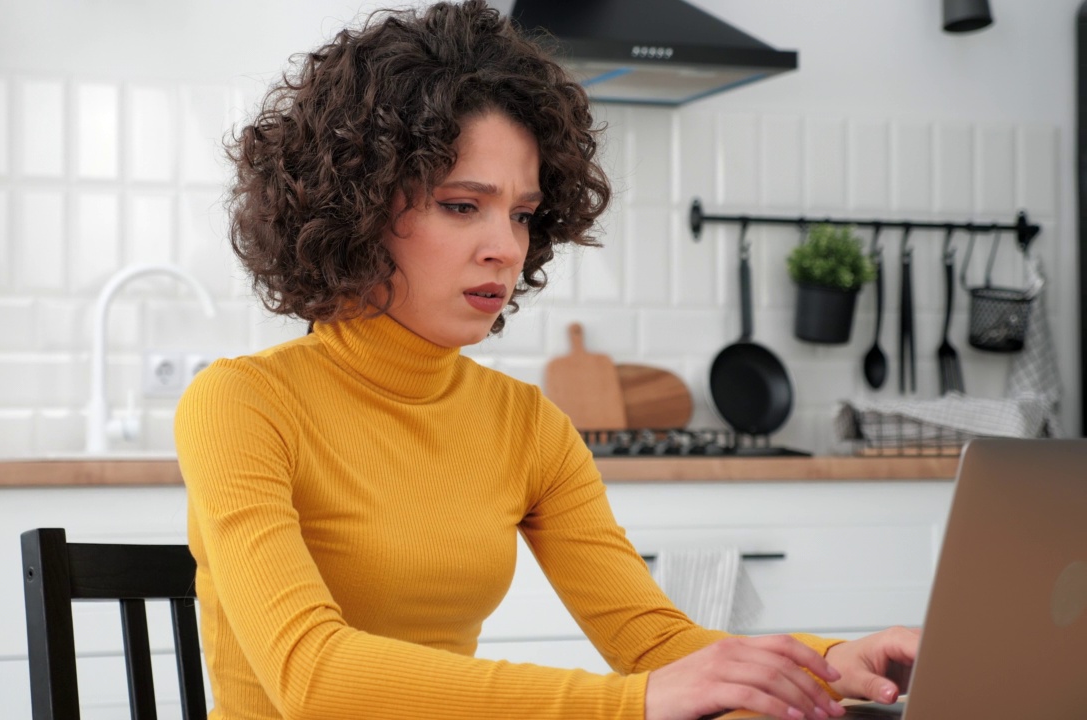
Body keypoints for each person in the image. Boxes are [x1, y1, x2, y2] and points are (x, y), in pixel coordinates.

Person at [174, 3, 918, 719]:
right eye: (463, 205)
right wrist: (629, 706)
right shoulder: (242, 404)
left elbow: (655, 644)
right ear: (357, 210)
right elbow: (312, 675)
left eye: (523, 214)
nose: (506, 245)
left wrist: (832, 660)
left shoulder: (527, 425)